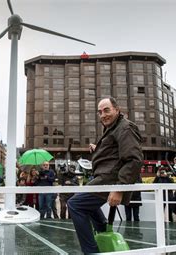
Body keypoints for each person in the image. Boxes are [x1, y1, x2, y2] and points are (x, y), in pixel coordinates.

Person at [67, 97, 143, 253]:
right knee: (84, 202)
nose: (103, 115)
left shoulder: (125, 128)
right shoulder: (113, 128)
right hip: (103, 178)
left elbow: (133, 160)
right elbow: (114, 153)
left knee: (75, 205)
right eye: (100, 112)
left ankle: (91, 252)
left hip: (110, 180)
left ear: (117, 109)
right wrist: (98, 149)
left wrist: (119, 188)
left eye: (107, 110)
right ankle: (104, 235)